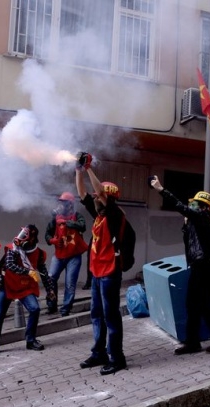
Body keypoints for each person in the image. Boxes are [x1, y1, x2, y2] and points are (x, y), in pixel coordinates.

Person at [149, 175, 210, 355]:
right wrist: (186, 226)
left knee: (203, 304)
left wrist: (161, 190)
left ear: (203, 207)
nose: (190, 206)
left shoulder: (202, 217)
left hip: (205, 268)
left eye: (194, 204)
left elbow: (180, 207)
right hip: (198, 267)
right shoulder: (196, 222)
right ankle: (193, 342)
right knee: (192, 305)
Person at [75, 152, 127, 375]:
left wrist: (89, 168)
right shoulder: (98, 215)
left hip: (110, 273)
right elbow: (83, 193)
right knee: (96, 314)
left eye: (99, 197)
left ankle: (117, 358)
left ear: (108, 199)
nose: (94, 198)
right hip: (97, 273)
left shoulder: (115, 215)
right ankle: (99, 353)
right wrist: (78, 170)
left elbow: (101, 193)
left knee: (111, 315)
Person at [0, 224, 52, 357]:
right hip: (8, 286)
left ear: (32, 238)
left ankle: (30, 340)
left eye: (25, 235)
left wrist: (50, 290)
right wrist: (27, 271)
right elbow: (10, 265)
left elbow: (43, 271)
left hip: (25, 288)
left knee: (35, 309)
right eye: (21, 233)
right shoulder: (13, 249)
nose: (20, 238)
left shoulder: (38, 253)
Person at [44, 192, 89, 316]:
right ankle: (51, 305)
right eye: (60, 202)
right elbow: (47, 234)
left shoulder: (77, 216)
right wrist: (52, 240)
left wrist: (67, 222)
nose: (60, 205)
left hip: (74, 255)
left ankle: (65, 309)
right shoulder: (55, 219)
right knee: (51, 279)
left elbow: (83, 226)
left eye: (62, 203)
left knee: (70, 283)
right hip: (58, 255)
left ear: (69, 205)